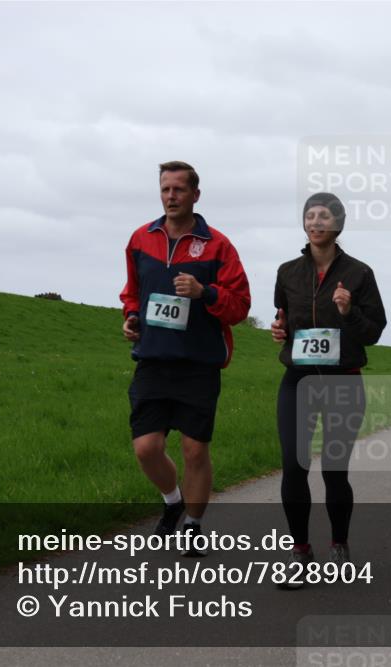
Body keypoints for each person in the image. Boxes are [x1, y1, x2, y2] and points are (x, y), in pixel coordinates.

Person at [120, 161, 251, 557]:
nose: (171, 196)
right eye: (165, 189)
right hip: (154, 361)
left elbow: (240, 305)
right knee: (146, 448)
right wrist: (130, 317)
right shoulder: (141, 239)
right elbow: (132, 292)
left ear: (196, 194)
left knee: (195, 450)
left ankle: (193, 526)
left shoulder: (218, 246)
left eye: (179, 189)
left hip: (199, 362)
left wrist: (204, 293)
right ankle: (172, 500)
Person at [271, 192, 386, 584]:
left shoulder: (359, 274)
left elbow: (373, 333)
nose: (316, 221)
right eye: (310, 215)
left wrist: (347, 311)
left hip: (342, 379)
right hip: (298, 379)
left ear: (338, 224)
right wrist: (280, 332)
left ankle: (339, 545)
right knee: (293, 466)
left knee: (334, 471)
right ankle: (300, 553)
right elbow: (285, 321)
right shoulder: (287, 272)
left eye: (324, 216)